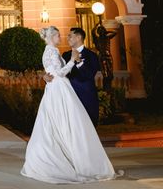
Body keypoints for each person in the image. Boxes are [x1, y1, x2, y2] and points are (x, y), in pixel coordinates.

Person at [21, 26, 116, 184]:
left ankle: (86, 163)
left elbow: (88, 74)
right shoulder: (63, 53)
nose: (66, 38)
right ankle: (74, 163)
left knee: (84, 133)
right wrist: (46, 75)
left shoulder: (91, 55)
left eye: (70, 36)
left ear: (79, 37)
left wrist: (77, 61)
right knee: (67, 131)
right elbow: (56, 70)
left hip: (84, 98)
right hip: (65, 97)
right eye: (62, 36)